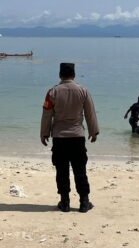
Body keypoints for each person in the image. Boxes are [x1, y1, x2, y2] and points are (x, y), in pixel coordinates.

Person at [41, 63, 100, 213]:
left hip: (59, 137)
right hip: (77, 136)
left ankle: (65, 202)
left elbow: (47, 114)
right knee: (80, 169)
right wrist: (94, 132)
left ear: (60, 74)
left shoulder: (52, 92)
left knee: (61, 170)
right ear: (74, 75)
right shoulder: (83, 91)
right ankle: (84, 202)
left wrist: (44, 133)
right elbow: (90, 113)